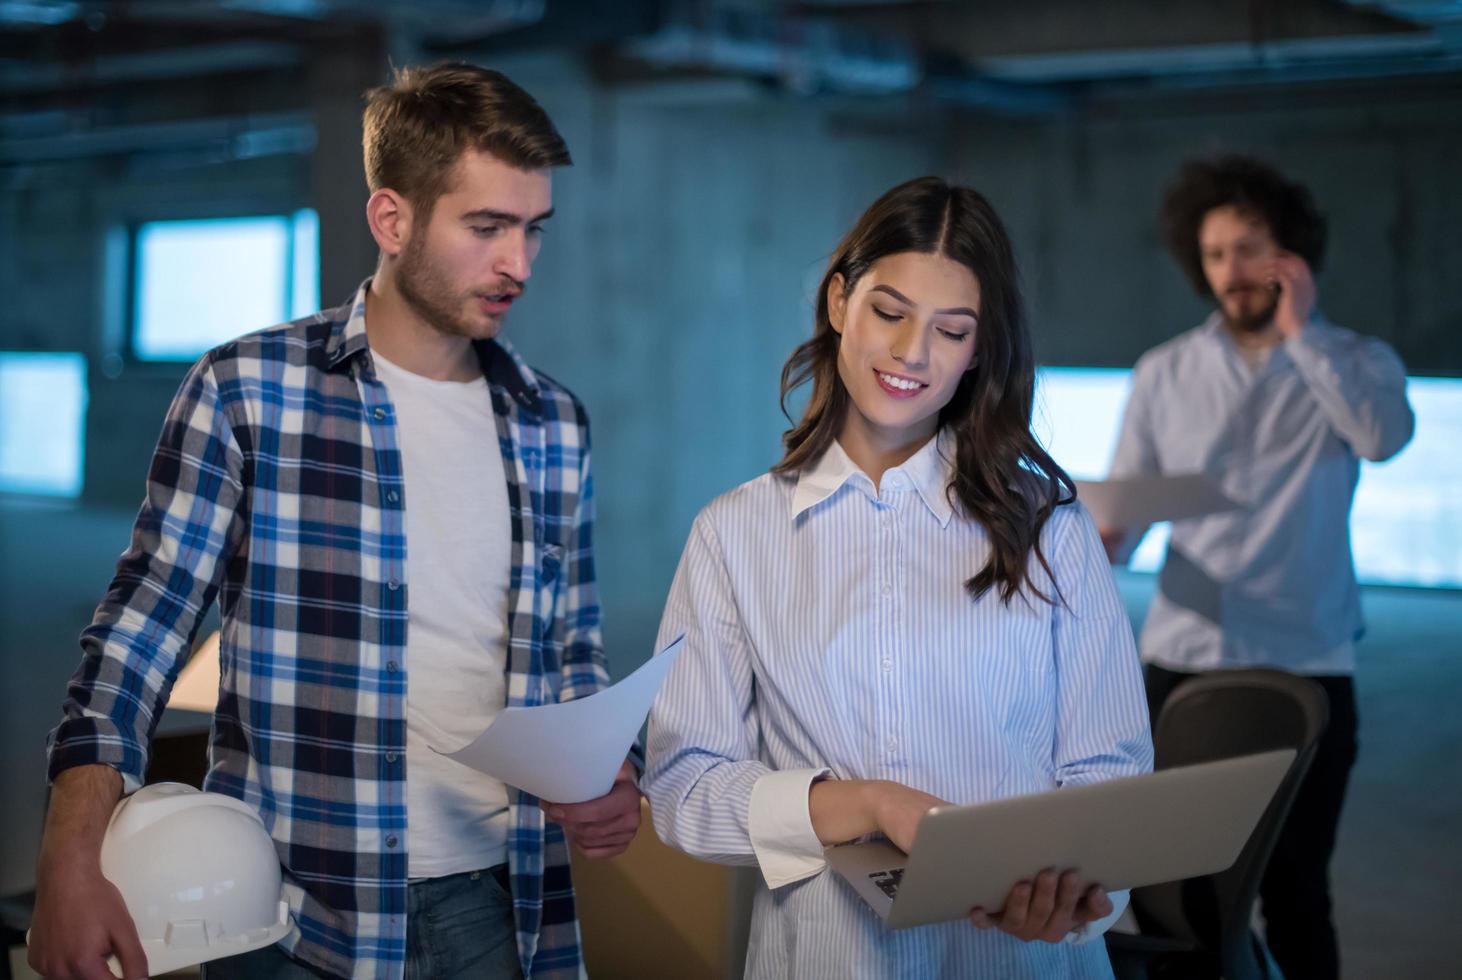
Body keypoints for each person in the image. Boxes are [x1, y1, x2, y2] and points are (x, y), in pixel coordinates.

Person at [28, 63, 641, 980]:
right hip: (290, 913)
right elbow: (136, 635)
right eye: (487, 227)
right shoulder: (246, 393)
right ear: (391, 219)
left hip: (500, 905)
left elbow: (573, 647)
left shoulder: (553, 422)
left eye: (531, 230)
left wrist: (604, 770)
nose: (518, 262)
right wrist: (69, 857)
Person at [641, 176, 1153, 978]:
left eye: (951, 331)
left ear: (979, 350)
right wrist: (860, 805)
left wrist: (1078, 891)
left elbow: (1111, 772)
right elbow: (681, 785)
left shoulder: (1050, 526)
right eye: (889, 312)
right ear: (840, 301)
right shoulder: (733, 536)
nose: (913, 353)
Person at [1099, 155, 1415, 980]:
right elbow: (1123, 520)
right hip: (1181, 659)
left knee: (1297, 890)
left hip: (1304, 660)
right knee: (1169, 892)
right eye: (1214, 255)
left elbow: (1383, 439)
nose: (1231, 272)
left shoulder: (1357, 361)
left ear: (1292, 255)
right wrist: (1099, 536)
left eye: (1249, 249)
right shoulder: (1163, 371)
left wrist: (1302, 335)